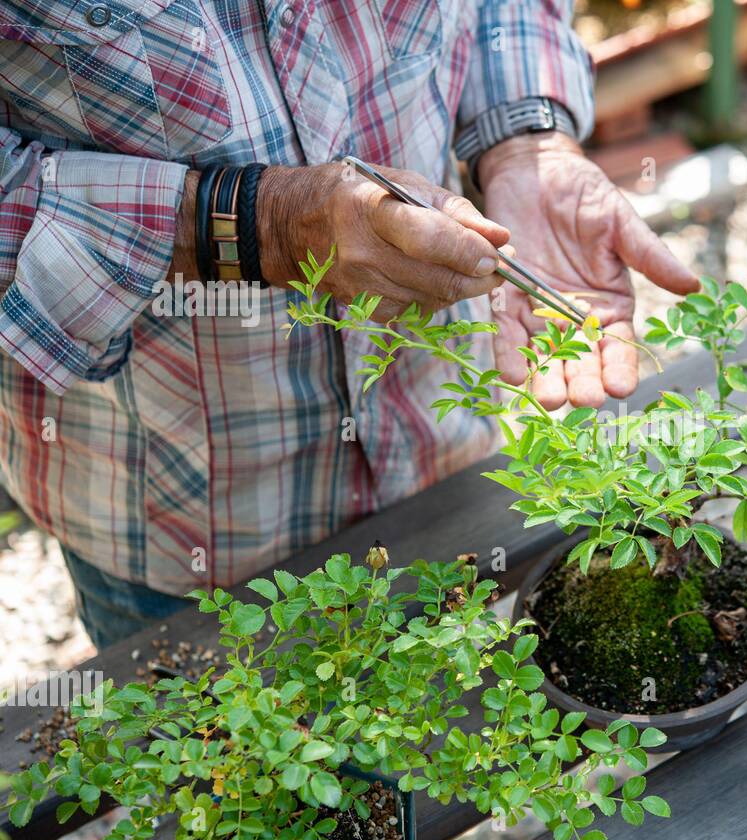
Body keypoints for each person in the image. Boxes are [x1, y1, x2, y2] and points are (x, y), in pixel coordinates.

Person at [0, 1, 697, 647]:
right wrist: (258, 225)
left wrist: (524, 142)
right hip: (181, 532)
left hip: (445, 451)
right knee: (245, 768)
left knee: (462, 740)